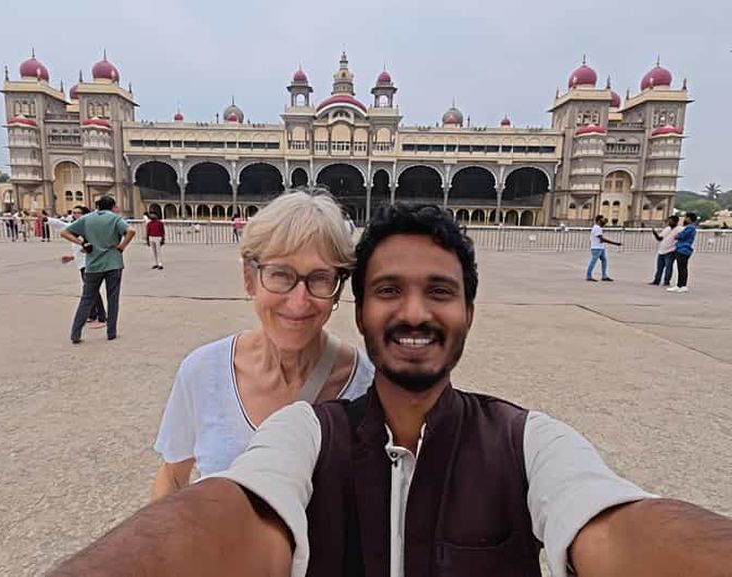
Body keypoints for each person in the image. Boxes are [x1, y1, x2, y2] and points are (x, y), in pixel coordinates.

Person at [51, 204, 732, 577]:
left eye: (440, 290)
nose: (412, 313)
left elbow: (610, 518)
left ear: (471, 309)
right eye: (388, 290)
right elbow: (235, 505)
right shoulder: (309, 427)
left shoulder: (526, 442)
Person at [151, 191, 373, 501]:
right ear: (248, 277)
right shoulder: (203, 372)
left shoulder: (367, 386)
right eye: (280, 274)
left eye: (320, 278)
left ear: (337, 291)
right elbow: (173, 478)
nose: (299, 302)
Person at [61, 195, 135, 343]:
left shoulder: (87, 218)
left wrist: (81, 242)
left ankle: (75, 333)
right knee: (112, 298)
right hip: (113, 263)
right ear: (112, 206)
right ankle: (111, 332)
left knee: (87, 299)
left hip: (93, 264)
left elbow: (64, 232)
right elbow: (131, 231)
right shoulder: (114, 219)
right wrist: (122, 246)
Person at [47, 206, 107, 327]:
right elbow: (62, 226)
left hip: (89, 263)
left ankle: (101, 316)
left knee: (91, 290)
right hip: (81, 262)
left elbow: (95, 243)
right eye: (74, 213)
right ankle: (93, 314)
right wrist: (72, 257)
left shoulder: (87, 227)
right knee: (89, 290)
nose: (75, 215)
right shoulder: (76, 227)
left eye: (78, 213)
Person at [667, 212, 697, 294]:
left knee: (682, 268)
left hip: (683, 249)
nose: (685, 219)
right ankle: (681, 285)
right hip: (683, 249)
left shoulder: (690, 227)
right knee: (682, 268)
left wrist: (678, 235)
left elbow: (681, 236)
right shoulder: (691, 227)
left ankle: (681, 285)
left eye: (686, 217)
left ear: (689, 218)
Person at [585, 215, 621, 282]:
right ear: (599, 221)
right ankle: (588, 276)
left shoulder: (598, 228)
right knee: (593, 262)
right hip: (596, 248)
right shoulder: (597, 228)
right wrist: (615, 243)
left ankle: (604, 276)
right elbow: (602, 239)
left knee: (604, 260)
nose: (604, 222)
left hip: (600, 247)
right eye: (602, 220)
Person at [649, 214, 682, 286]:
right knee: (659, 267)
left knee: (668, 267)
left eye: (671, 221)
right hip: (662, 250)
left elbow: (681, 238)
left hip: (671, 251)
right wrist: (655, 234)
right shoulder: (667, 229)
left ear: (675, 222)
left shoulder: (680, 229)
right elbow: (660, 238)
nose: (669, 223)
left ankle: (666, 281)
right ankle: (656, 280)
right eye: (669, 221)